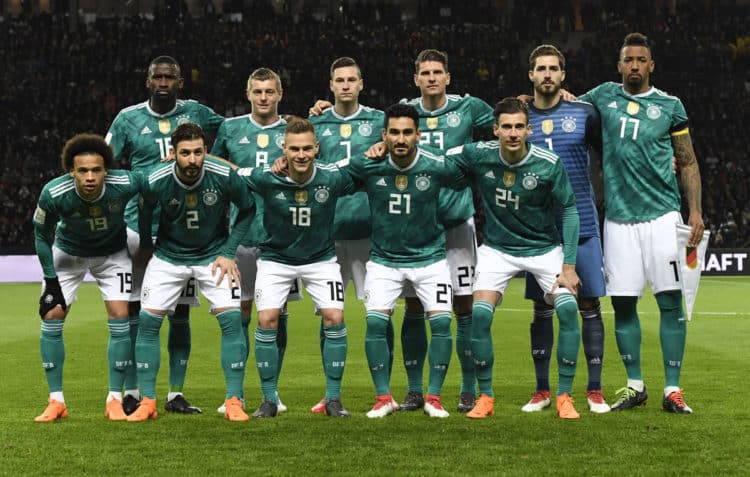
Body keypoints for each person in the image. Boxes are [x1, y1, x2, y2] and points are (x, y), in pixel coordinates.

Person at [577, 33, 704, 414]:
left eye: (641, 59)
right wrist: (529, 103)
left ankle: (672, 389)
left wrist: (694, 211)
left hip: (664, 217)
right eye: (628, 59)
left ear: (651, 65)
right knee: (624, 304)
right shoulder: (601, 95)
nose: (634, 65)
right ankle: (635, 386)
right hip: (617, 220)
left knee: (669, 303)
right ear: (619, 66)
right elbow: (564, 109)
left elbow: (690, 161)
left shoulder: (670, 105)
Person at [445, 98, 583, 419]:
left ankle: (564, 395)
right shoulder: (479, 155)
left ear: (528, 130)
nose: (512, 132)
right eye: (506, 126)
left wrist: (569, 265)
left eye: (519, 126)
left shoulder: (548, 163)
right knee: (479, 315)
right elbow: (441, 161)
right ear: (495, 130)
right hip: (497, 250)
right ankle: (486, 397)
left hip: (545, 249)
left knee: (568, 309)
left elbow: (570, 209)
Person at [106, 55, 224, 415]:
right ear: (147, 81)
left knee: (181, 313)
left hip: (182, 229)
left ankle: (174, 394)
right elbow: (105, 162)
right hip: (137, 229)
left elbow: (234, 131)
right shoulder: (128, 119)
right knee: (135, 312)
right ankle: (131, 390)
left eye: (169, 77)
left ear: (180, 82)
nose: (162, 82)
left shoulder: (199, 114)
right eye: (156, 76)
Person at [341, 104, 466, 418]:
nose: (400, 138)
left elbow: (469, 173)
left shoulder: (437, 165)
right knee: (374, 323)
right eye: (394, 132)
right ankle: (383, 398)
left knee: (440, 322)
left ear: (418, 135)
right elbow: (335, 177)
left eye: (407, 132)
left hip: (431, 259)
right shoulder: (369, 165)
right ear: (384, 135)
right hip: (384, 261)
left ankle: (433, 398)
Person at [126, 123, 254, 422]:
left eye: (198, 152)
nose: (193, 159)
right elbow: (144, 212)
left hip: (213, 257)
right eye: (185, 153)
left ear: (206, 152)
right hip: (168, 257)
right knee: (148, 322)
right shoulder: (155, 179)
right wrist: (146, 246)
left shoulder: (223, 175)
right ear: (174, 154)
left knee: (232, 320)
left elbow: (247, 209)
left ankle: (234, 400)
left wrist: (229, 251)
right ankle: (147, 401)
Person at [234, 117, 355, 418]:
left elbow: (367, 169)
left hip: (321, 259)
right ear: (283, 149)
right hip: (276, 259)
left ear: (316, 148)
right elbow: (230, 173)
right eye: (294, 149)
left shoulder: (333, 176)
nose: (300, 155)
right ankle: (268, 398)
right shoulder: (265, 177)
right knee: (266, 320)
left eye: (306, 149)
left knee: (335, 316)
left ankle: (333, 398)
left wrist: (381, 148)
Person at [520, 44, 610, 414]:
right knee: (543, 308)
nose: (547, 75)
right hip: (539, 231)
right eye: (541, 68)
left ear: (563, 74)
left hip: (583, 225)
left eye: (553, 68)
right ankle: (542, 389)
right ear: (531, 75)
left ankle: (594, 390)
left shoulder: (584, 112)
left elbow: (608, 157)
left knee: (588, 304)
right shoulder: (519, 115)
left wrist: (599, 202)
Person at [32, 134, 146, 422]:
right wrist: (51, 281)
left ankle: (114, 400)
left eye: (96, 170)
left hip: (113, 255)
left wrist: (144, 236)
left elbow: (153, 185)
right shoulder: (54, 193)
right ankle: (56, 400)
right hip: (69, 255)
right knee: (52, 314)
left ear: (106, 169)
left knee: (121, 315)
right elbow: (41, 236)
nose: (90, 176)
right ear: (72, 171)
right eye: (83, 171)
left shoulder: (125, 183)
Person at [210, 67, 298, 414]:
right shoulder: (230, 128)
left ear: (280, 95)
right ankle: (236, 392)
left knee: (277, 314)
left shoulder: (292, 129)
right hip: (242, 235)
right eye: (257, 91)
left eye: (269, 91)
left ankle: (271, 392)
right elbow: (212, 164)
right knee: (240, 314)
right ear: (248, 94)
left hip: (282, 235)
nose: (263, 97)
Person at [307, 57, 386, 414]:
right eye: (339, 80)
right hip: (329, 235)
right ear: (330, 84)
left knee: (379, 316)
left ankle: (383, 394)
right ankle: (330, 394)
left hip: (372, 233)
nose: (345, 85)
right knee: (330, 317)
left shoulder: (380, 121)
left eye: (352, 79)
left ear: (361, 83)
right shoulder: (316, 122)